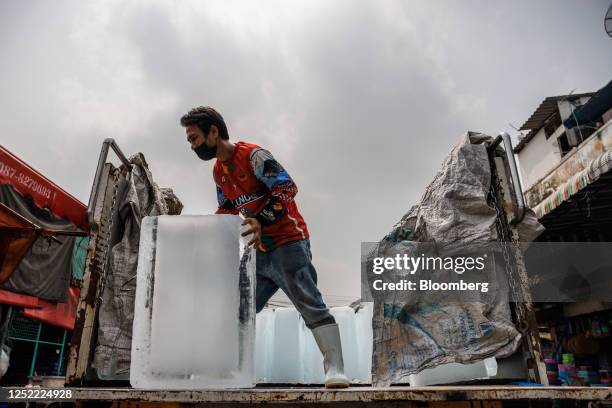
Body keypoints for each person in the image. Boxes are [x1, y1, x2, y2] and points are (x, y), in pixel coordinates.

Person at [180, 106, 349, 388]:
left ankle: (335, 369)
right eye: (189, 141)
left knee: (310, 304)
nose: (192, 145)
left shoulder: (254, 156)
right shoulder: (219, 172)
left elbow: (287, 189)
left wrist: (260, 219)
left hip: (288, 243)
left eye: (194, 138)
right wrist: (206, 236)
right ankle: (227, 372)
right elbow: (227, 209)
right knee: (238, 307)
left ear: (213, 131)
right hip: (258, 251)